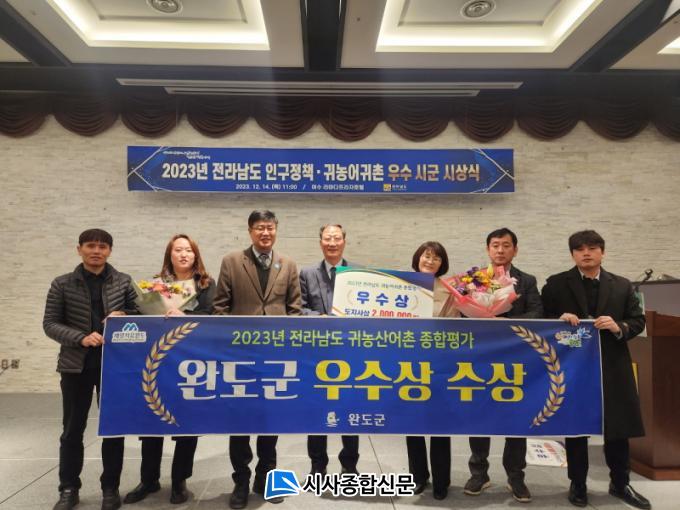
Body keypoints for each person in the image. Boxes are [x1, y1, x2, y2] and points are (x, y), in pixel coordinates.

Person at [542, 230, 650, 509]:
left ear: (602, 252)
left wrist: (618, 326)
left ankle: (621, 482)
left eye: (592, 248)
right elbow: (541, 319)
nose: (586, 253)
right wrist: (558, 319)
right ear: (572, 254)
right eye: (580, 249)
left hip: (612, 363)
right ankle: (578, 483)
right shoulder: (555, 284)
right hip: (573, 365)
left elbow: (638, 321)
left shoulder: (623, 285)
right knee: (576, 425)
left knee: (618, 426)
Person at [213, 210, 302, 509]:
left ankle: (266, 478)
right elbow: (220, 307)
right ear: (250, 231)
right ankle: (240, 480)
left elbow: (295, 310)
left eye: (270, 227)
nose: (265, 233)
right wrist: (227, 346)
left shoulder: (288, 264)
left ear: (276, 229)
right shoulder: (231, 261)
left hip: (276, 357)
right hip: (240, 356)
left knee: (271, 420)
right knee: (239, 420)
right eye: (260, 228)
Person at [43, 229, 137, 510]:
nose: (96, 251)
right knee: (72, 429)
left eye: (102, 246)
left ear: (110, 251)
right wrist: (80, 338)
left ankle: (111, 488)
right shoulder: (62, 284)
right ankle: (69, 488)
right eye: (91, 246)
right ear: (79, 249)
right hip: (76, 366)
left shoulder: (123, 281)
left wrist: (125, 314)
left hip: (114, 366)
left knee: (113, 429)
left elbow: (143, 312)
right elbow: (50, 324)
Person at [123, 234, 216, 505]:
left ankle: (179, 480)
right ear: (170, 255)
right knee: (152, 420)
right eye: (178, 250)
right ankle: (149, 479)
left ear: (196, 255)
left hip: (191, 362)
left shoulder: (206, 284)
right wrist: (123, 314)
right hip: (158, 361)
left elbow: (215, 315)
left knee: (186, 421)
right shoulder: (156, 285)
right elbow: (140, 314)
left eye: (189, 250)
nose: (184, 254)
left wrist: (187, 316)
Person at [464, 227, 542, 503]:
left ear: (515, 250)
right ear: (488, 249)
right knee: (479, 415)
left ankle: (516, 476)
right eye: (495, 245)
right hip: (481, 359)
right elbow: (461, 313)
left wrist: (505, 323)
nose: (500, 250)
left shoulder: (527, 280)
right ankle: (479, 473)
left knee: (516, 418)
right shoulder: (472, 279)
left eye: (506, 245)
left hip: (515, 359)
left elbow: (537, 312)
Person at [300, 224, 360, 476]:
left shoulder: (359, 273)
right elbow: (298, 307)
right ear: (320, 242)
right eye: (327, 238)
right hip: (317, 353)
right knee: (316, 409)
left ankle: (350, 464)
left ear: (344, 241)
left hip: (350, 352)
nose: (332, 243)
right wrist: (319, 318)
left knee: (350, 409)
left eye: (337, 238)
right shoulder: (307, 273)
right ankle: (317, 464)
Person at [406, 241, 459, 500]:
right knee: (411, 423)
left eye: (436, 258)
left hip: (439, 364)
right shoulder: (400, 285)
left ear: (442, 264)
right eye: (426, 256)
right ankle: (417, 476)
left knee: (440, 423)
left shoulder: (450, 290)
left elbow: (455, 326)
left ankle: (441, 480)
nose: (430, 261)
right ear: (417, 258)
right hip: (407, 364)